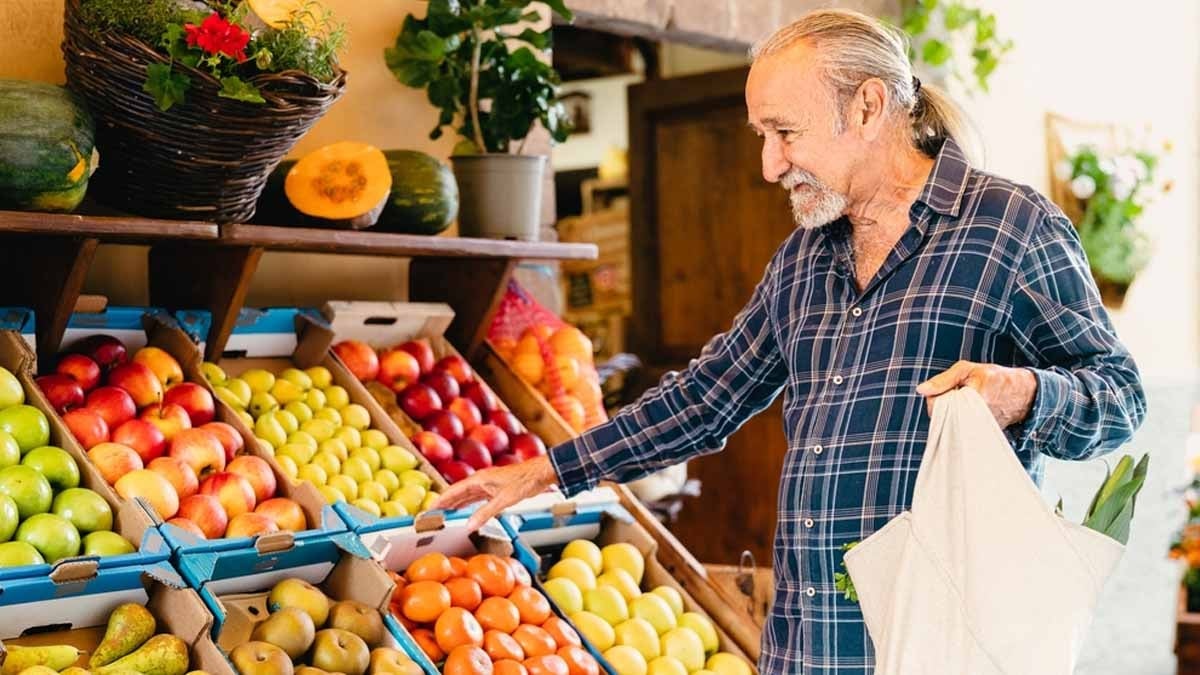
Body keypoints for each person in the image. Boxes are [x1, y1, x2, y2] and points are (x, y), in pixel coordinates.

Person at [435, 8, 1147, 673]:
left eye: (785, 132)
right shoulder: (805, 259)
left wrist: (1024, 393)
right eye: (762, 137)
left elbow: (1119, 398)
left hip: (938, 648)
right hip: (806, 648)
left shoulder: (1010, 227)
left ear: (868, 107)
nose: (770, 165)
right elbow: (706, 398)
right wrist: (544, 471)